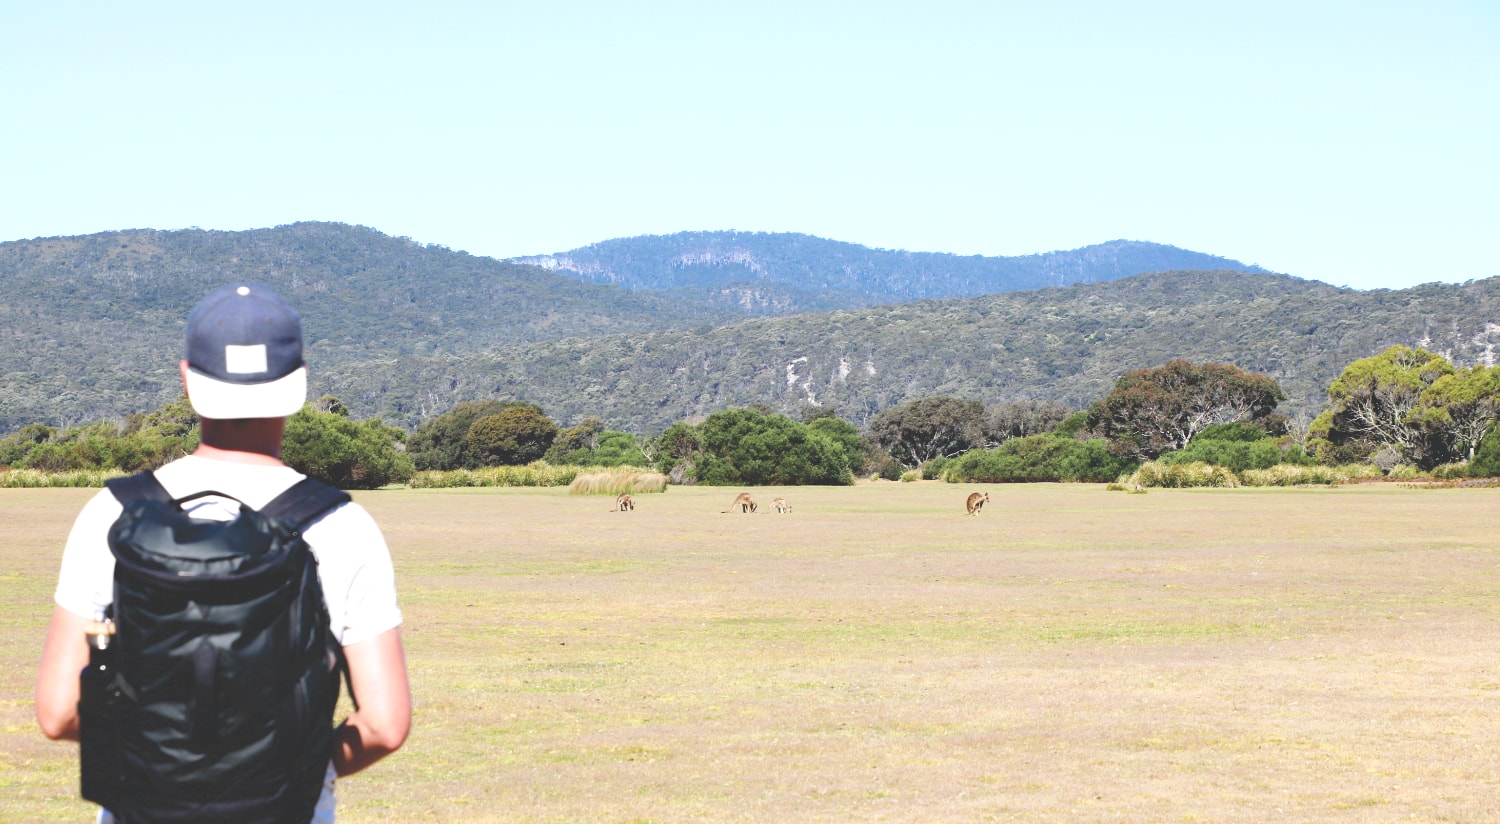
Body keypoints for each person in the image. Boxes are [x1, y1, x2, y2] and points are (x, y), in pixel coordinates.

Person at [35, 283, 411, 823]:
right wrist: (291, 768)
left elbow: (57, 714)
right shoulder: (340, 525)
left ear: (187, 379)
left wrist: (163, 763)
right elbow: (384, 726)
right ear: (300, 381)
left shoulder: (113, 513)